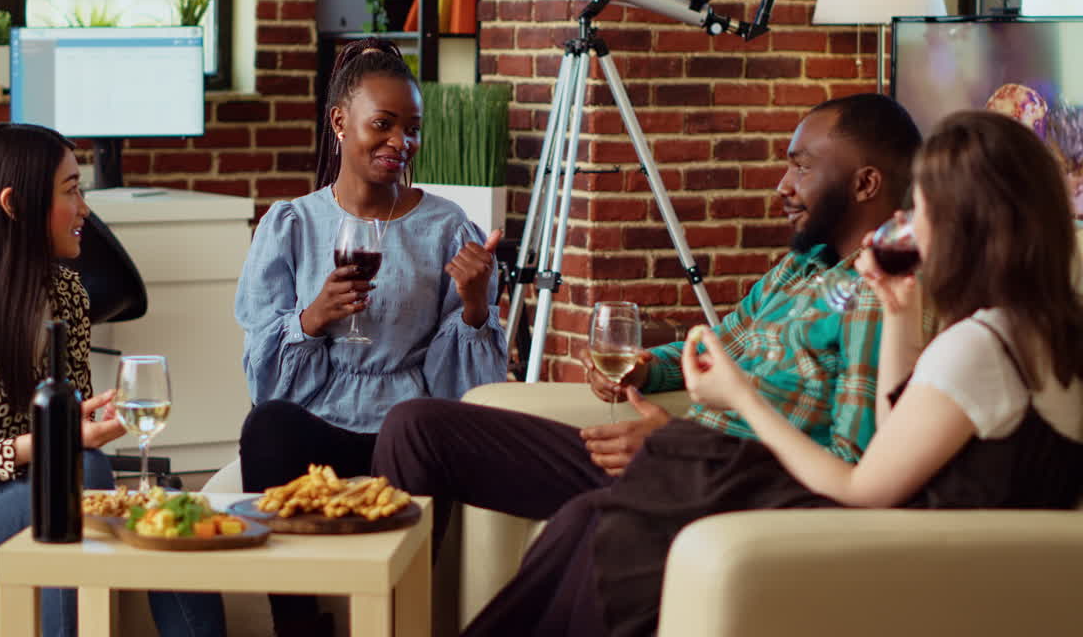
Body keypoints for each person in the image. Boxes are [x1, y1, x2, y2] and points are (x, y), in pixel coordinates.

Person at [460, 109, 1083, 637]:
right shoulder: (1028, 330)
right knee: (605, 513)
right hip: (933, 546)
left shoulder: (978, 345)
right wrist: (902, 309)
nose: (906, 226)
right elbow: (897, 433)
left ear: (967, 226)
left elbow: (867, 485)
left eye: (920, 210)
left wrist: (741, 398)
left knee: (664, 477)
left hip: (917, 561)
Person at [372, 92, 923, 553]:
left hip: (714, 477)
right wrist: (642, 369)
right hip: (669, 456)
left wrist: (686, 445)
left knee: (586, 524)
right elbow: (713, 352)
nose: (782, 185)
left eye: (801, 166)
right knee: (415, 427)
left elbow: (852, 464)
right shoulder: (795, 271)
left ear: (865, 184)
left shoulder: (877, 299)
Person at [0, 123, 227, 637]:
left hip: (31, 487)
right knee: (76, 478)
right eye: (71, 191)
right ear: (14, 204)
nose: (85, 209)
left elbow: (70, 423)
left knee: (161, 510)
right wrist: (44, 443)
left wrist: (83, 424)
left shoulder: (66, 293)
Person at [233, 38, 508, 635]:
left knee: (421, 427)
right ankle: (298, 626)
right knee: (266, 426)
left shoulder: (446, 227)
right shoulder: (291, 225)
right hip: (318, 419)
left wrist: (475, 305)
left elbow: (466, 390)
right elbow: (262, 376)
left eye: (411, 128)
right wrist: (312, 318)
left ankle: (391, 624)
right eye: (382, 125)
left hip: (406, 427)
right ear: (340, 121)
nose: (399, 143)